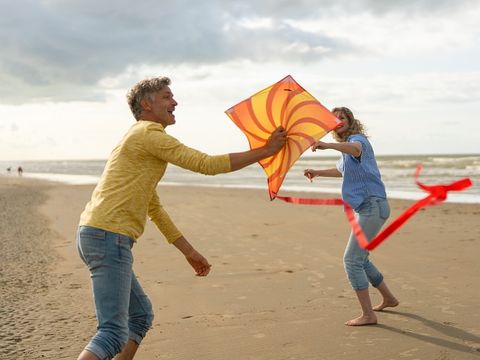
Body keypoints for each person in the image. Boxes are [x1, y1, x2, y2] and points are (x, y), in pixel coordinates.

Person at [76, 77, 286, 360]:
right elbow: (206, 164)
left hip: (99, 234)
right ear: (147, 104)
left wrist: (189, 252)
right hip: (107, 236)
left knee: (140, 317)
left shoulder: (139, 139)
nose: (175, 102)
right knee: (112, 332)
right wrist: (266, 151)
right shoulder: (148, 134)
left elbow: (155, 208)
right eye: (167, 97)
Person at [304, 106, 398, 326]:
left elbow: (355, 149)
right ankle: (389, 298)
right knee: (361, 259)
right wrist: (317, 172)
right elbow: (342, 170)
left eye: (342, 117)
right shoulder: (347, 150)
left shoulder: (357, 140)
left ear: (350, 120)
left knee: (351, 260)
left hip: (372, 206)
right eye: (334, 119)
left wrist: (327, 145)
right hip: (369, 207)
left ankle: (368, 314)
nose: (339, 120)